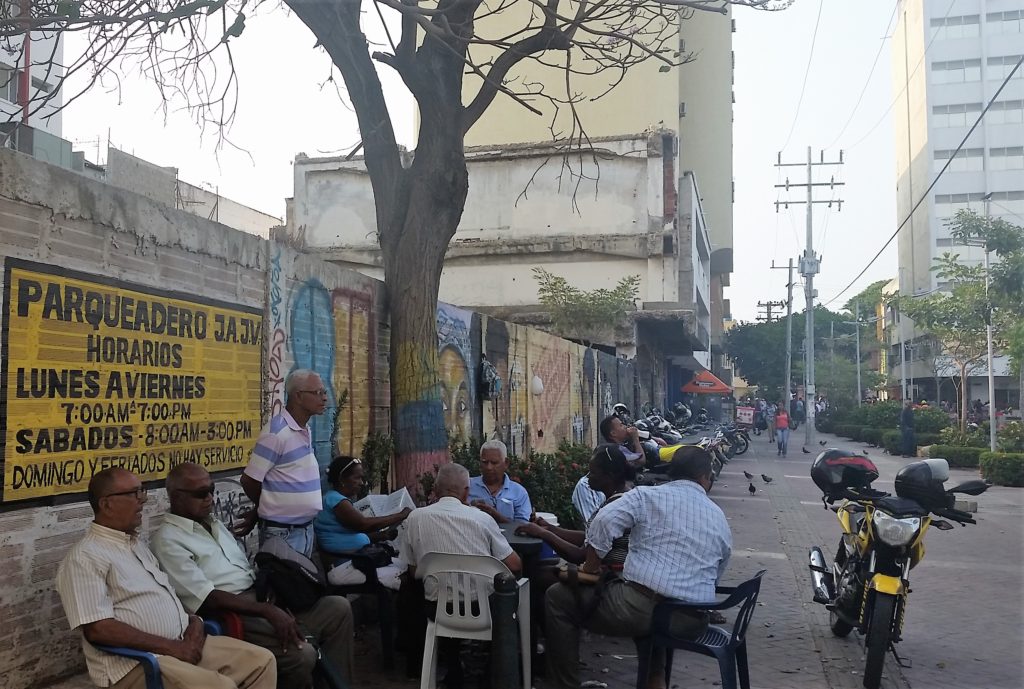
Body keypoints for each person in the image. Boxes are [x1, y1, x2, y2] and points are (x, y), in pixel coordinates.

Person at [55, 468, 277, 689]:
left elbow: (166, 598)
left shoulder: (135, 545)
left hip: (181, 644)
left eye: (142, 491)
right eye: (134, 494)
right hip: (137, 663)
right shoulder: (85, 557)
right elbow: (98, 629)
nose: (143, 500)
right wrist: (170, 647)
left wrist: (194, 624)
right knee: (221, 686)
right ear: (106, 504)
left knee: (261, 662)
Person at [151, 463, 353, 689]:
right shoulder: (168, 540)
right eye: (200, 494)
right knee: (302, 654)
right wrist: (267, 610)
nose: (209, 498)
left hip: (261, 597)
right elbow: (207, 597)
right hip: (233, 612)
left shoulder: (213, 524)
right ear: (177, 497)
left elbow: (243, 569)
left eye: (212, 489)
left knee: (337, 607)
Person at [544, 447, 732, 689]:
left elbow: (603, 520)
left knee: (558, 598)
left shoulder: (646, 496)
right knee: (650, 603)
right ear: (704, 477)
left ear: (673, 472)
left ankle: (565, 685)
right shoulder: (717, 515)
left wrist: (590, 566)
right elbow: (720, 566)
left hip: (644, 610)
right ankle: (655, 680)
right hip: (693, 619)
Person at [398, 463, 521, 686]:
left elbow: (415, 571)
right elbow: (514, 565)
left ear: (435, 489)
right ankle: (497, 670)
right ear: (466, 491)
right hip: (483, 610)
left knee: (434, 590)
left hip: (437, 609)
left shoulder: (415, 518)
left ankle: (452, 669)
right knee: (511, 592)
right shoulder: (481, 519)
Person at [240, 369, 327, 558]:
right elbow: (249, 480)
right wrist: (265, 507)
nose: (324, 398)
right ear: (298, 396)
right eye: (318, 393)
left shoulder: (304, 430)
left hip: (304, 530)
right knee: (284, 586)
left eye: (324, 392)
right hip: (283, 534)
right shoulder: (277, 433)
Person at [517, 444, 634, 566]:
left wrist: (542, 534)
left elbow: (580, 555)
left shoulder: (613, 510)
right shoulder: (625, 496)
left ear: (609, 476)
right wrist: (550, 528)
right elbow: (589, 538)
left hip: (614, 577)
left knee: (538, 574)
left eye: (593, 472)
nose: (588, 477)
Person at [315, 455, 411, 589]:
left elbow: (347, 533)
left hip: (356, 561)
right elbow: (363, 525)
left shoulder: (336, 499)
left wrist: (383, 536)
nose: (362, 482)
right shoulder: (337, 501)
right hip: (345, 566)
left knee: (406, 566)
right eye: (357, 478)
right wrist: (401, 515)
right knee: (409, 576)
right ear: (342, 479)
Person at [468, 439, 533, 523]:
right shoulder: (468, 487)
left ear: (506, 463)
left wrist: (495, 515)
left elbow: (522, 527)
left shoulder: (518, 492)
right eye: (485, 462)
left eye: (494, 463)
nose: (489, 467)